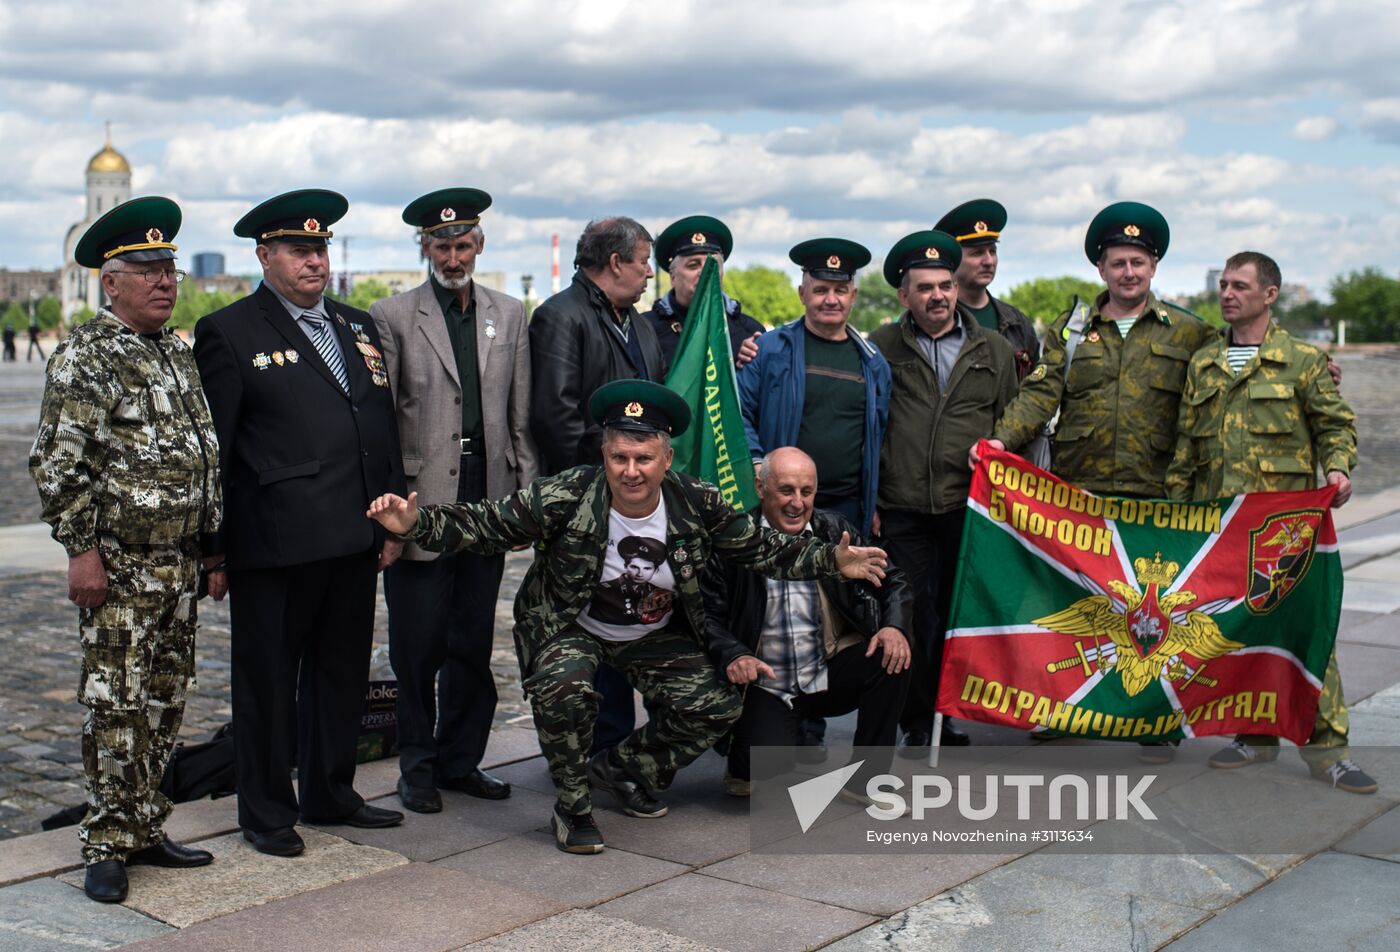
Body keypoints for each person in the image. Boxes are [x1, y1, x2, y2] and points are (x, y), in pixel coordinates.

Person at [366, 379, 891, 853]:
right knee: (565, 690)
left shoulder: (697, 502)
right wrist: (416, 524)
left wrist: (833, 560)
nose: (631, 471)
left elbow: (760, 548)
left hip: (651, 633)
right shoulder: (566, 494)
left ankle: (619, 768)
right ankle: (573, 808)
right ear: (605, 454)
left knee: (717, 703)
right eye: (619, 457)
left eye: (644, 458)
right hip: (570, 627)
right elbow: (487, 524)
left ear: (667, 459)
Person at [193, 189, 406, 858]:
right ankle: (265, 811)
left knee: (340, 674)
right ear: (265, 256)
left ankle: (330, 791)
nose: (314, 261)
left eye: (320, 249)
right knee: (267, 683)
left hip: (354, 534)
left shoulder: (356, 324)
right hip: (276, 542)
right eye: (298, 250)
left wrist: (391, 520)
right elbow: (215, 451)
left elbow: (378, 424)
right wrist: (213, 550)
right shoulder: (230, 331)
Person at [30, 197, 222, 902]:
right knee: (117, 707)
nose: (165, 281)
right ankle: (107, 843)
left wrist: (210, 551)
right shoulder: (87, 355)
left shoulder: (175, 352)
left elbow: (201, 458)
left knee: (166, 701)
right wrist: (82, 552)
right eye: (148, 271)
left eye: (169, 269)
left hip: (177, 564)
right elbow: (59, 463)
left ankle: (145, 825)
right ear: (111, 282)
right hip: (121, 566)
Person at [976, 201, 1213, 763]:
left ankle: (1155, 721)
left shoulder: (1190, 332)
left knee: (1155, 614)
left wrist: (1312, 368)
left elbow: (1232, 375)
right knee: (1073, 604)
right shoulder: (1074, 329)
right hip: (1080, 495)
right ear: (1101, 269)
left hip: (1157, 497)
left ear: (1154, 266)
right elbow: (1041, 393)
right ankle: (1063, 709)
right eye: (1118, 263)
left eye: (1138, 262)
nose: (1128, 273)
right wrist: (1000, 442)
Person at [1166, 251, 1374, 794]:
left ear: (1270, 294)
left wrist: (1337, 469)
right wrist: (1175, 522)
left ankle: (1329, 752)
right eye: (1223, 284)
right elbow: (1186, 450)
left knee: (1307, 636)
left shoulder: (1302, 361)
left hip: (1283, 534)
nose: (1227, 293)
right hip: (1219, 529)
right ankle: (1254, 738)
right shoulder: (1204, 363)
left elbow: (1335, 425)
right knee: (1236, 632)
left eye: (1240, 285)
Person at [370, 188, 536, 814]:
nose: (452, 257)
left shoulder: (509, 313)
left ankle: (461, 760)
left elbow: (520, 417)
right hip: (421, 499)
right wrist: (389, 515)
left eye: (462, 245)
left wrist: (525, 501)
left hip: (486, 496)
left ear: (479, 245)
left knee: (472, 640)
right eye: (441, 247)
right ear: (425, 248)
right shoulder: (392, 315)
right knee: (417, 644)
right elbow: (382, 420)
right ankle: (417, 767)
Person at [869, 231, 1019, 753]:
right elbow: (871, 425)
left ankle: (944, 713)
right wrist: (874, 501)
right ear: (904, 295)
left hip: (966, 506)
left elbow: (1011, 421)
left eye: (945, 285)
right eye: (925, 287)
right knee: (909, 613)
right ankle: (913, 718)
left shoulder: (994, 348)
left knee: (957, 615)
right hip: (903, 507)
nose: (938, 296)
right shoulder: (881, 345)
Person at [702, 447, 911, 798]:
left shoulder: (834, 530)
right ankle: (747, 755)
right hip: (768, 682)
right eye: (786, 490)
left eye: (806, 491)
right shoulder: (734, 540)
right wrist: (735, 653)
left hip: (827, 670)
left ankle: (866, 780)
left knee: (891, 658)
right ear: (760, 487)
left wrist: (894, 626)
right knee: (759, 770)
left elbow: (895, 580)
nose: (797, 503)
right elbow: (707, 615)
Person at [738, 238, 890, 535]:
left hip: (848, 506)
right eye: (820, 290)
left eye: (840, 290)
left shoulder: (874, 363)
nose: (831, 300)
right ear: (802, 294)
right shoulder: (768, 350)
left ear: (853, 296)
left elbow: (882, 436)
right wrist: (757, 462)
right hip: (783, 503)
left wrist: (874, 500)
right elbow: (738, 413)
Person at [530, 217, 665, 475]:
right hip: (586, 487)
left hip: (638, 483)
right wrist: (595, 480)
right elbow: (556, 419)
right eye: (644, 261)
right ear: (616, 263)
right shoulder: (560, 316)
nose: (650, 272)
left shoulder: (641, 325)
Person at [641, 215, 763, 375]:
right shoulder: (645, 330)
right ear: (673, 277)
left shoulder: (748, 331)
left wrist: (749, 364)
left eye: (713, 265)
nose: (705, 272)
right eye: (693, 265)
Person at [934, 199, 1040, 378]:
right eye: (977, 253)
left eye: (992, 251)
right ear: (952, 259)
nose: (989, 261)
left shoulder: (1017, 323)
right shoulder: (935, 320)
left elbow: (1035, 385)